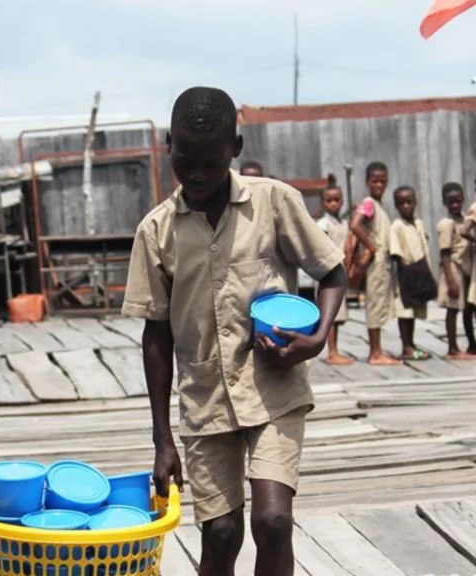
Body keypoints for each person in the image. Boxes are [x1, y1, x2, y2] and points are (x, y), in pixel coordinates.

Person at [123, 87, 346, 576]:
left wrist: (318, 337)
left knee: (273, 522)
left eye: (212, 160)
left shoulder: (274, 203)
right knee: (221, 534)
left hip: (275, 387)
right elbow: (155, 337)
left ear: (235, 149)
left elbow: (331, 272)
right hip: (205, 400)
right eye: (187, 160)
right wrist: (162, 438)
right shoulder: (156, 232)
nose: (198, 174)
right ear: (169, 145)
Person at [349, 162, 399, 365]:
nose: (380, 185)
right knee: (375, 305)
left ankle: (377, 350)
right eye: (375, 181)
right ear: (368, 182)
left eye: (383, 181)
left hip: (382, 261)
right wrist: (372, 247)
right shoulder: (369, 203)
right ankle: (375, 353)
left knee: (379, 304)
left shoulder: (378, 205)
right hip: (376, 261)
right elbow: (355, 224)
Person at [389, 186, 434, 360]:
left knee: (414, 311)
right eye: (402, 203)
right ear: (396, 206)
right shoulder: (397, 226)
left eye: (410, 202)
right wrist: (406, 269)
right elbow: (396, 252)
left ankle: (412, 344)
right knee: (404, 312)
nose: (407, 206)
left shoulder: (419, 223)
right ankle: (406, 345)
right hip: (406, 275)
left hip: (420, 272)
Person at [439, 182, 476, 358]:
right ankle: (452, 348)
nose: (455, 205)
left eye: (458, 201)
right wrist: (450, 280)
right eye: (451, 202)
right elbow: (445, 253)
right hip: (453, 267)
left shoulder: (464, 218)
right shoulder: (447, 224)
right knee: (452, 308)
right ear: (444, 203)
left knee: (468, 308)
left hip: (466, 269)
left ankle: (471, 344)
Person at [317, 185, 353, 365]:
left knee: (338, 315)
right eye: (329, 200)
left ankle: (335, 349)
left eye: (336, 200)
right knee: (331, 315)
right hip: (329, 274)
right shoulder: (323, 224)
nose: (333, 204)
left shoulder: (343, 223)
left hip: (342, 273)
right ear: (323, 203)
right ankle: (332, 352)